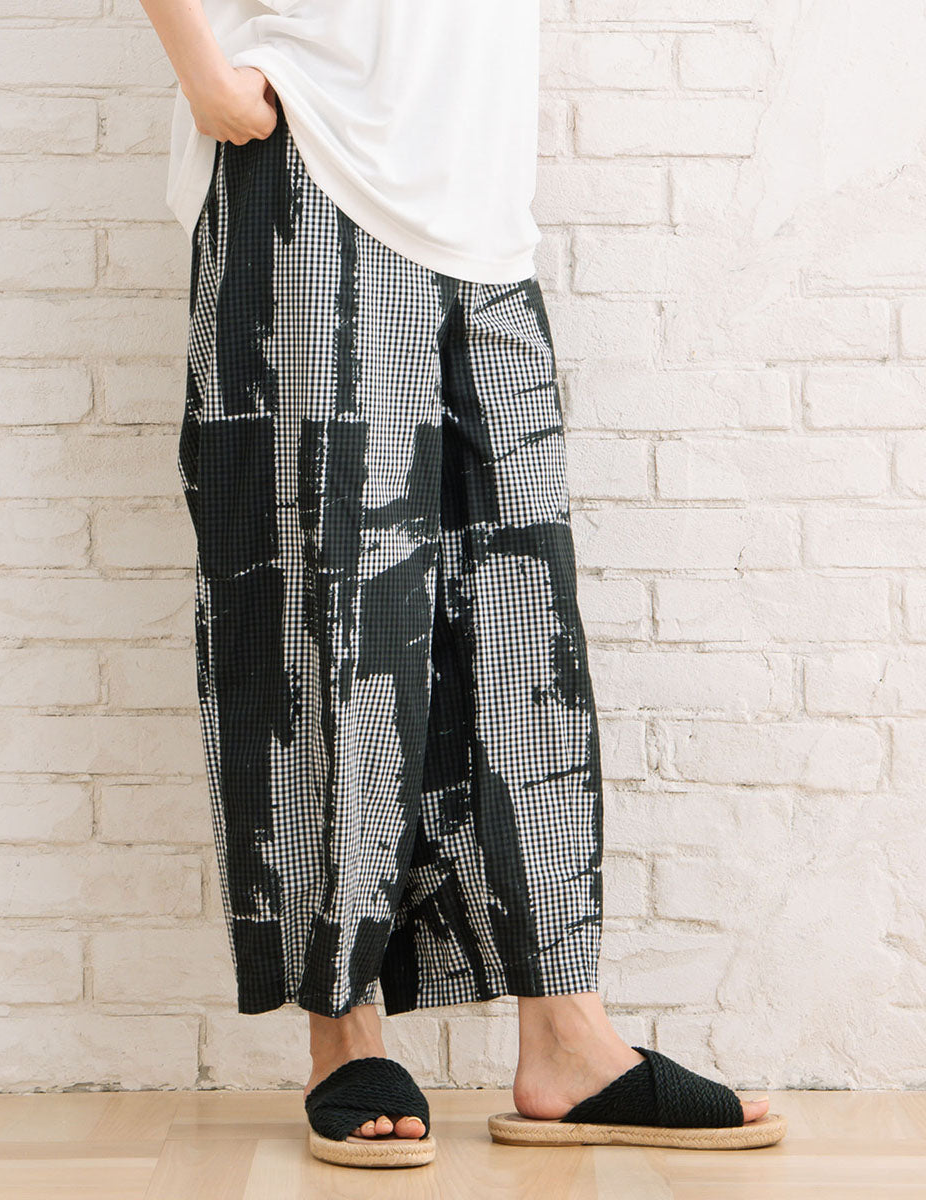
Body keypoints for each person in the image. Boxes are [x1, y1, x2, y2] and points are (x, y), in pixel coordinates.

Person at [139, 0, 784, 1169]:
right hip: (314, 149)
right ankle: (343, 1030)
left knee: (522, 623)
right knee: (335, 610)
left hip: (478, 201)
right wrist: (206, 78)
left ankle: (566, 1037)